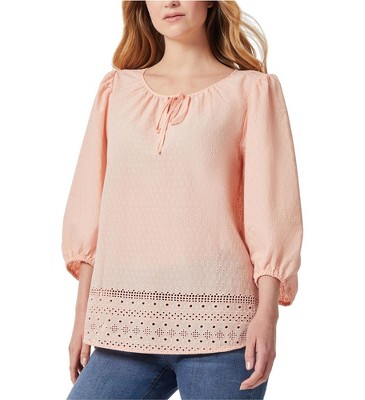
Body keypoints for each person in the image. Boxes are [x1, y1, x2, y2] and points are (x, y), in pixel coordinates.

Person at [61, 1, 304, 399]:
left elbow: (271, 208)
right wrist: (81, 321)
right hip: (122, 324)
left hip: (225, 327)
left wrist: (268, 315)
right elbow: (90, 208)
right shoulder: (115, 90)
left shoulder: (252, 90)